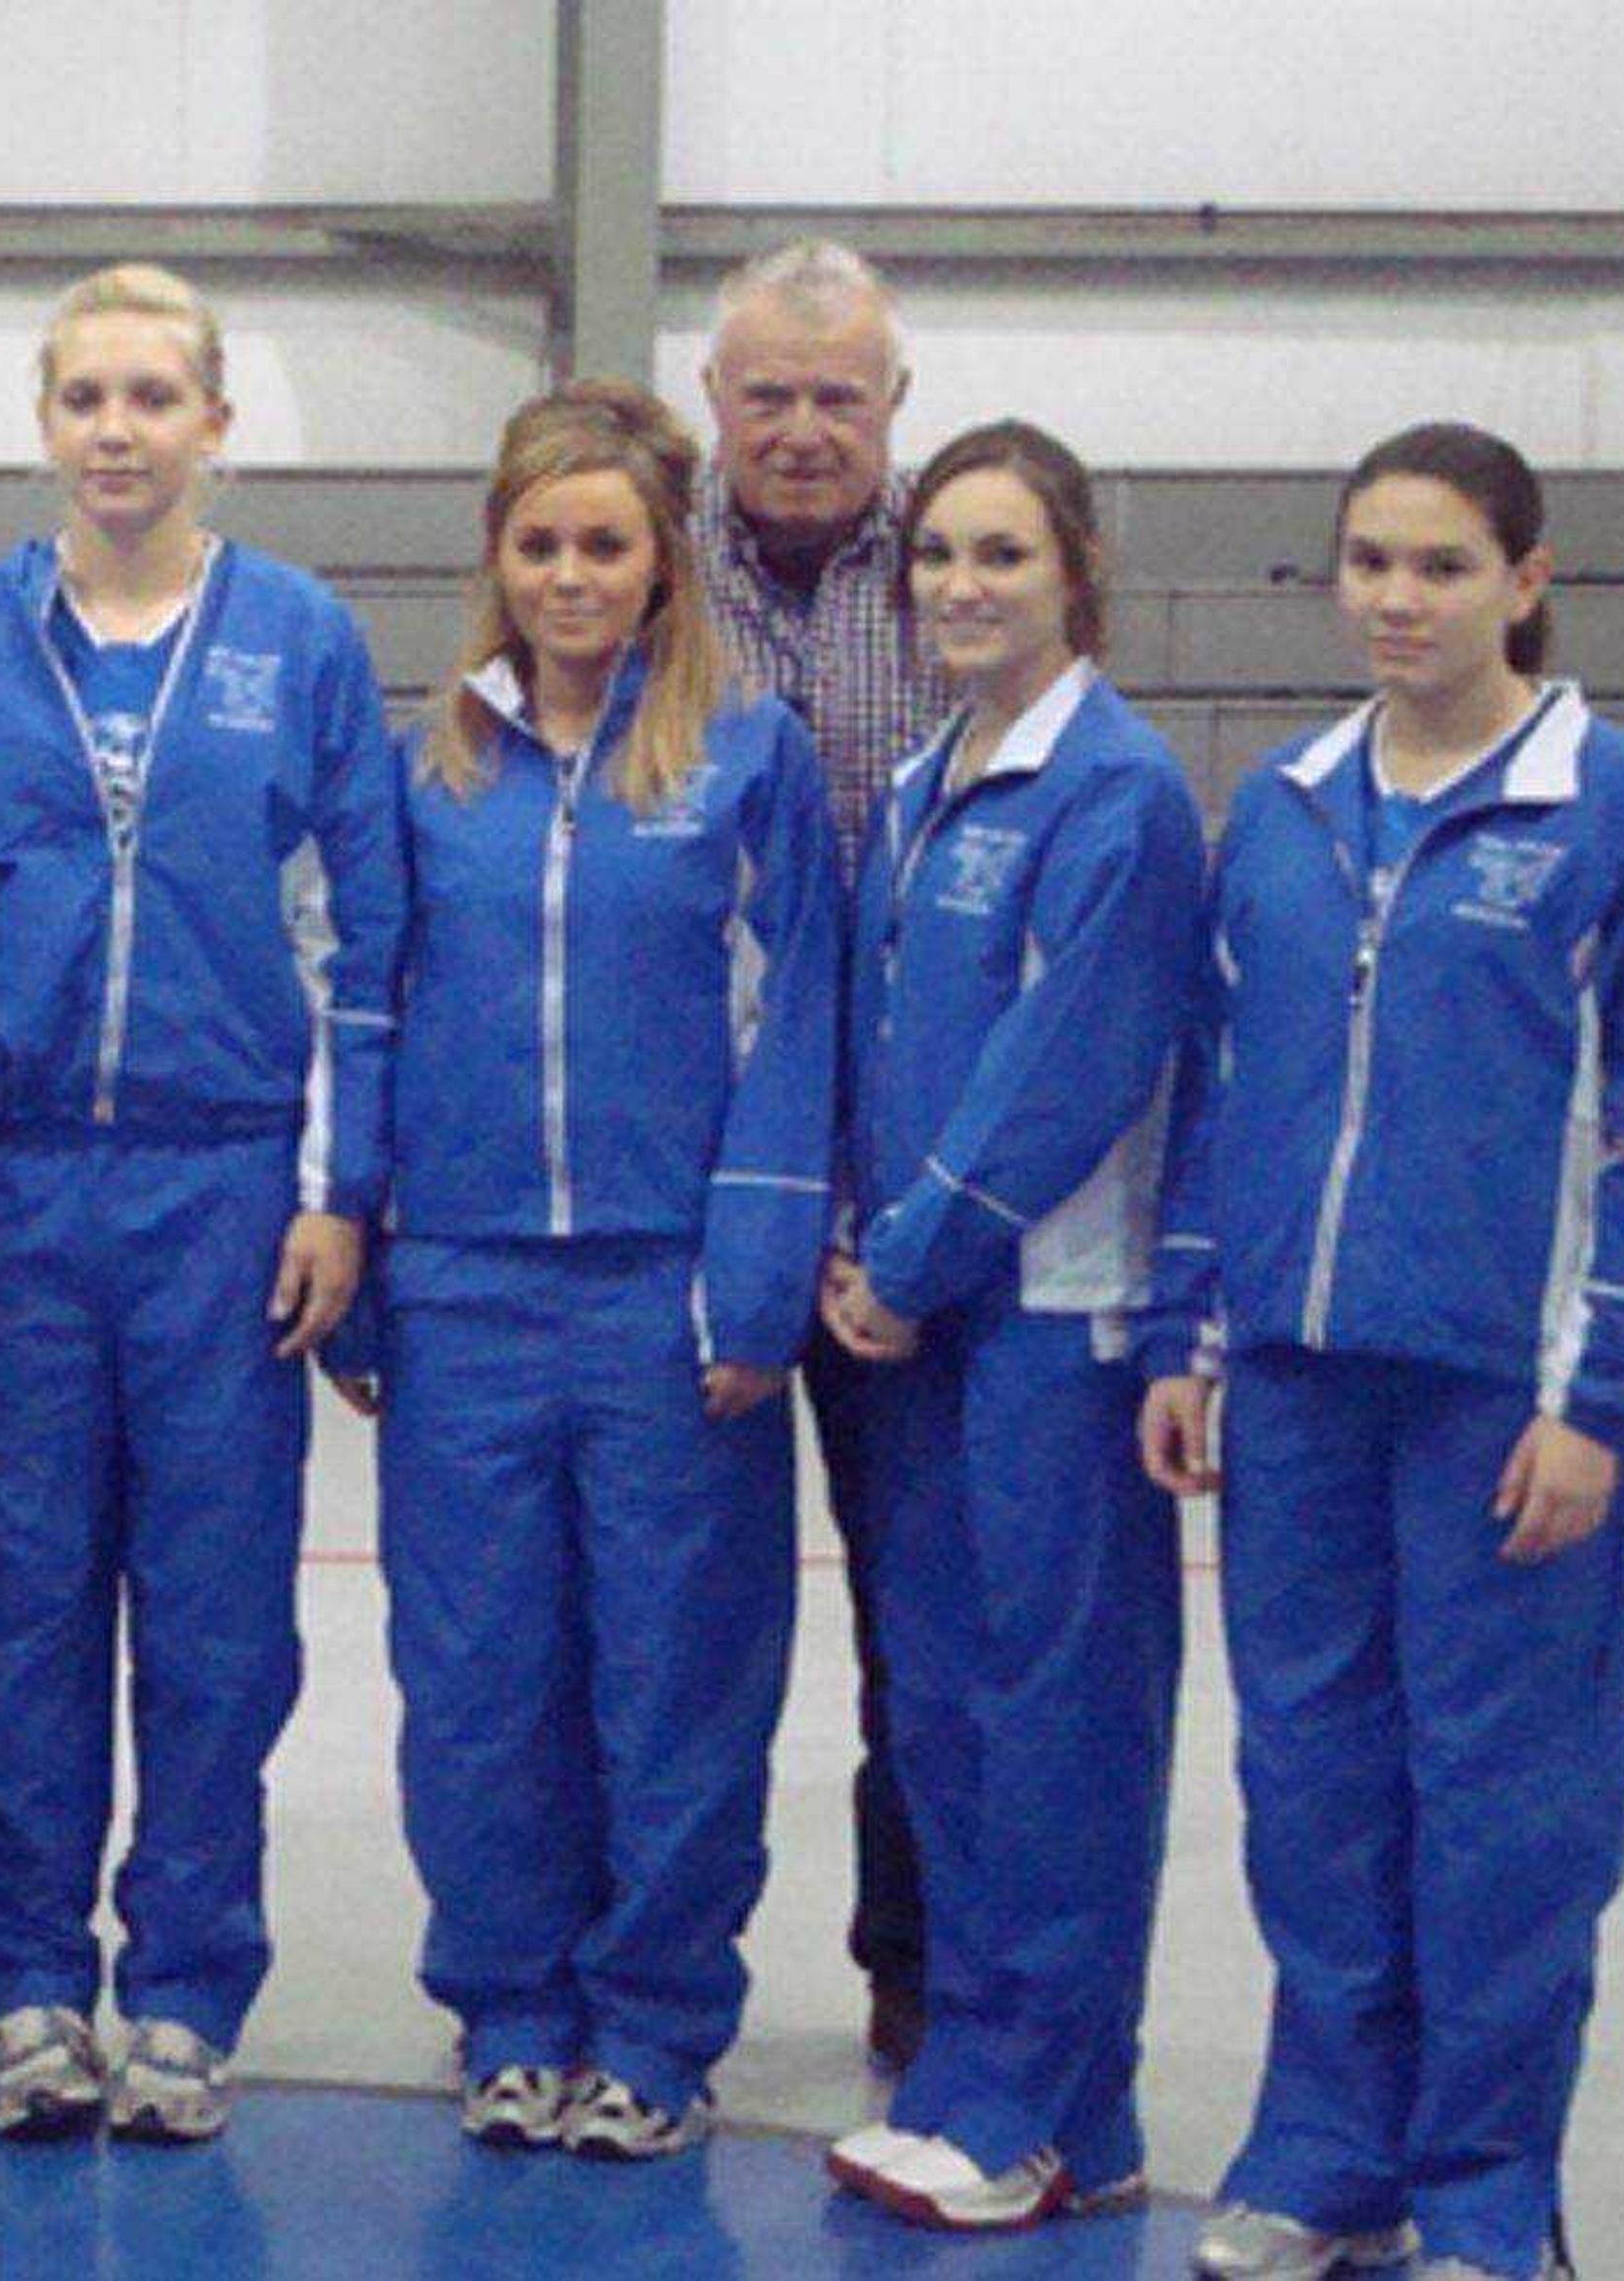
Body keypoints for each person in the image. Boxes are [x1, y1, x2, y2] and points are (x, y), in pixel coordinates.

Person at [1142, 424, 1624, 2281]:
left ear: (1527, 582)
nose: (1400, 601)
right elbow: (1226, 1096)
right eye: (1372, 563)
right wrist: (1196, 1331)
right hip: (1301, 1385)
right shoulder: (1292, 807)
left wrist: (1606, 1403)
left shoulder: (1620, 815)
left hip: (1504, 1400)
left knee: (1504, 1808)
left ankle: (1485, 2194)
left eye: (1444, 566)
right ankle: (1326, 2155)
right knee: (1312, 1785)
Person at [0, 263, 404, 2144]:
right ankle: (23, 1986)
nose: (118, 431)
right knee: (9, 1609)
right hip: (24, 1189)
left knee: (215, 1617)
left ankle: (184, 1986)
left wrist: (340, 1191)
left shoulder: (303, 640)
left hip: (226, 1179)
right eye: (86, 397)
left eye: (152, 397)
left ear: (214, 424)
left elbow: (363, 936)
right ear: (47, 419)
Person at [334, 379, 837, 2161]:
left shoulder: (744, 758)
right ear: (496, 553)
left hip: (665, 1298)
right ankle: (511, 2010)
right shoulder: (429, 767)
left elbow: (800, 1029)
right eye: (538, 541)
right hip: (463, 1291)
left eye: (604, 542)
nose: (568, 574)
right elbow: (369, 1010)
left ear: (660, 563)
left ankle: (654, 2024)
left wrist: (756, 1272)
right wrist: (364, 1234)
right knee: (474, 1682)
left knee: (676, 1685)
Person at [815, 420, 1198, 2232]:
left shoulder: (1113, 794)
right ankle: (980, 2071)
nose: (962, 587)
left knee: (1059, 1723)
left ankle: (1059, 2106)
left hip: (1050, 1323)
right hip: (925, 1326)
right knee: (950, 1713)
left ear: (1076, 578)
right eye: (940, 557)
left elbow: (1066, 1075)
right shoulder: (922, 785)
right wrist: (866, 1255)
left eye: (1003, 556)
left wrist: (908, 1257)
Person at [697, 235, 953, 2068]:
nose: (801, 430)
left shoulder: (964, 566)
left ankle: (919, 1964)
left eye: (837, 397)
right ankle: (645, 1972)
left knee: (921, 1621)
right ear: (714, 401)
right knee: (667, 1632)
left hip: (907, 1209)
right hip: (687, 1199)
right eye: (768, 394)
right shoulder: (631, 558)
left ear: (894, 406)